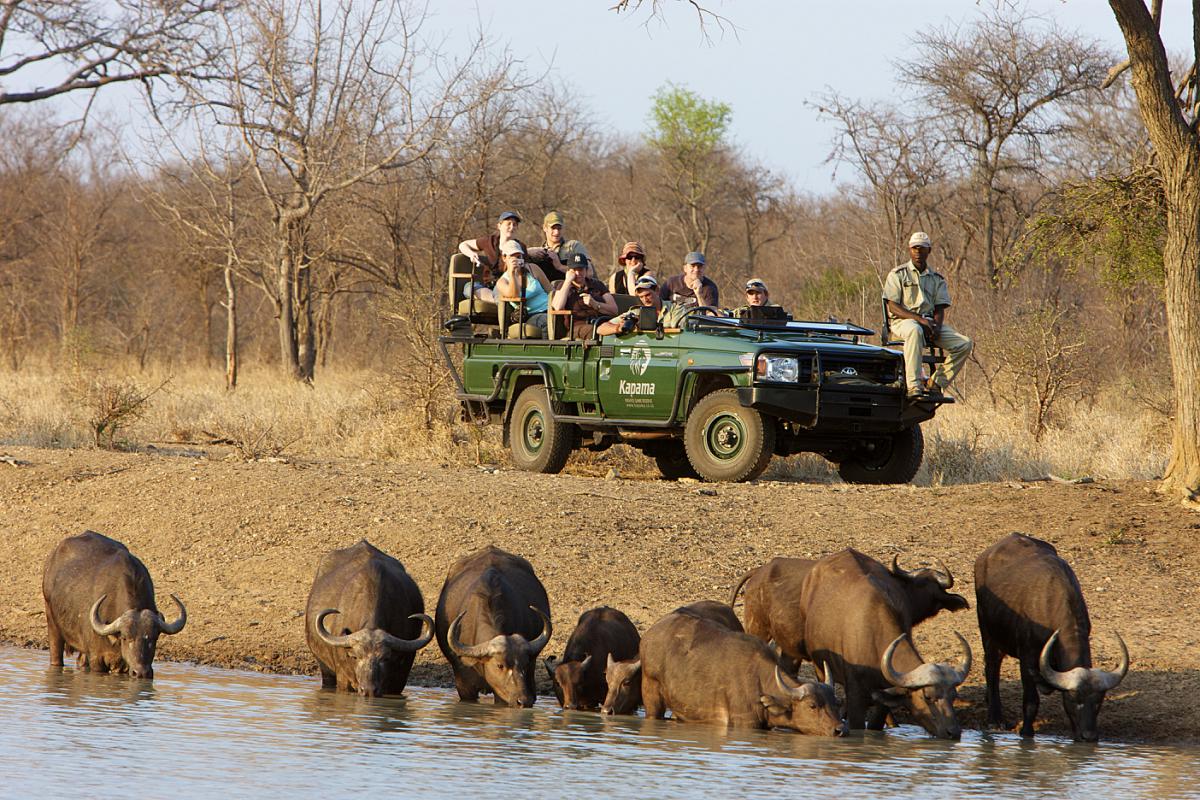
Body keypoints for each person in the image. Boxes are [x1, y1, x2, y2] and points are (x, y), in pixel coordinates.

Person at [883, 231, 973, 398]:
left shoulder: (936, 278)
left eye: (922, 248)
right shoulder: (898, 274)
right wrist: (920, 320)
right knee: (914, 330)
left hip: (929, 323)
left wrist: (936, 327)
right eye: (915, 248)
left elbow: (940, 308)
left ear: (929, 251)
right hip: (903, 322)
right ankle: (914, 386)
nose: (918, 252)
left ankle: (936, 383)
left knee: (965, 343)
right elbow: (893, 307)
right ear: (910, 249)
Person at [550, 253, 619, 338]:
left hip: (601, 322)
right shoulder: (563, 286)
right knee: (594, 330)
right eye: (574, 270)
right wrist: (568, 281)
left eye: (581, 269)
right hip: (576, 328)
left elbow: (614, 309)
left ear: (586, 270)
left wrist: (595, 304)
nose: (578, 273)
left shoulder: (597, 284)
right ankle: (615, 330)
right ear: (568, 271)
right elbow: (557, 307)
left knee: (624, 323)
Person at [492, 239, 552, 337]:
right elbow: (514, 295)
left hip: (549, 309)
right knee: (546, 321)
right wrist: (512, 273)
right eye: (512, 257)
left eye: (519, 256)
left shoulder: (533, 269)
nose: (516, 260)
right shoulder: (502, 282)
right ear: (504, 258)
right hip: (531, 314)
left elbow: (550, 291)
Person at [597, 274, 690, 336]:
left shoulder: (674, 308)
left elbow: (679, 331)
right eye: (641, 297)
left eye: (648, 295)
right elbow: (600, 329)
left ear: (657, 291)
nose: (645, 300)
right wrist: (619, 327)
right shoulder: (636, 312)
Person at [527, 210, 588, 283]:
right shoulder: (538, 253)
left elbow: (589, 273)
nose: (556, 232)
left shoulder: (573, 246)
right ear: (545, 228)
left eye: (559, 228)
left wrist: (560, 266)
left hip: (571, 290)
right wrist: (528, 252)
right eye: (553, 228)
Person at [458, 211, 525, 271]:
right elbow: (463, 245)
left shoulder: (521, 247)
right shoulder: (489, 241)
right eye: (508, 224)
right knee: (469, 285)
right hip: (488, 283)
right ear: (499, 226)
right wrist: (471, 254)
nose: (512, 227)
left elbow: (525, 270)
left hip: (511, 282)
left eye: (514, 224)